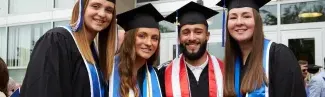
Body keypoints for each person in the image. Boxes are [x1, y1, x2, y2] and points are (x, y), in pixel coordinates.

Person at [20, 0, 117, 97]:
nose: (102, 14)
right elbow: (43, 90)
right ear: (81, 8)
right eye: (95, 6)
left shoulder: (95, 54)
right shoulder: (56, 41)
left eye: (109, 10)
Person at [216, 0, 306, 96]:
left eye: (246, 16)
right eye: (233, 17)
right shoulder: (229, 64)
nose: (239, 22)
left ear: (257, 21)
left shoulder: (279, 56)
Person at [159, 1, 224, 97]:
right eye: (186, 32)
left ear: (207, 36)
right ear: (179, 38)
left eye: (198, 32)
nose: (192, 38)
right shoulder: (164, 75)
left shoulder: (225, 72)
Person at [109, 3, 164, 97]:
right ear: (128, 37)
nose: (149, 43)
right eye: (142, 36)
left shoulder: (157, 76)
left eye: (154, 38)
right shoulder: (108, 72)